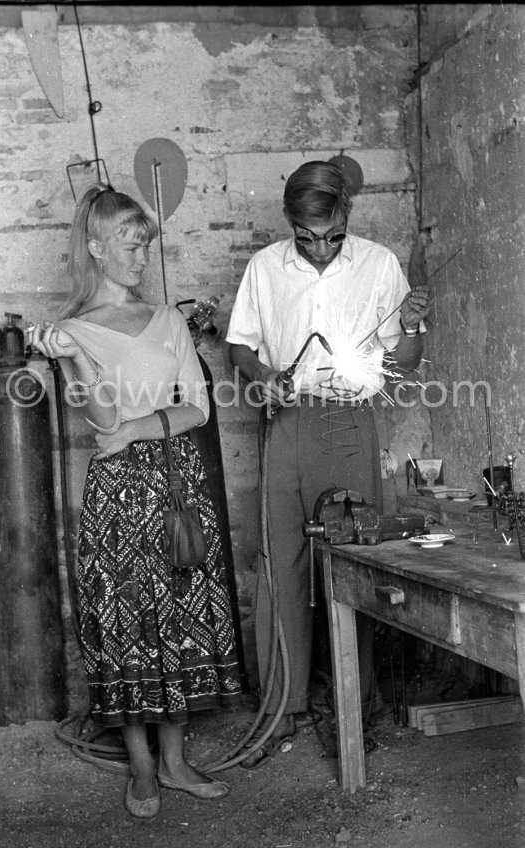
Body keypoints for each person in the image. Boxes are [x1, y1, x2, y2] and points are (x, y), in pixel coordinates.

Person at [30, 186, 241, 817]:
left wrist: (135, 428)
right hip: (118, 497)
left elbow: (198, 406)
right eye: (129, 245)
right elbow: (100, 418)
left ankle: (176, 763)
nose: (140, 258)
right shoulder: (69, 333)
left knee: (176, 617)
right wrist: (76, 364)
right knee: (124, 624)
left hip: (176, 483)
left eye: (145, 246)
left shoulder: (170, 320)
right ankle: (143, 769)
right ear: (95, 249)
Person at [226, 160, 432, 766]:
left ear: (348, 215)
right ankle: (282, 708)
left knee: (353, 564)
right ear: (291, 223)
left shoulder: (378, 264)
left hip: (349, 423)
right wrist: (264, 378)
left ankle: (353, 708)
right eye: (307, 236)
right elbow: (240, 342)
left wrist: (413, 322)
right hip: (288, 422)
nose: (320, 248)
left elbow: (407, 360)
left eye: (333, 234)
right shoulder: (266, 268)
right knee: (282, 558)